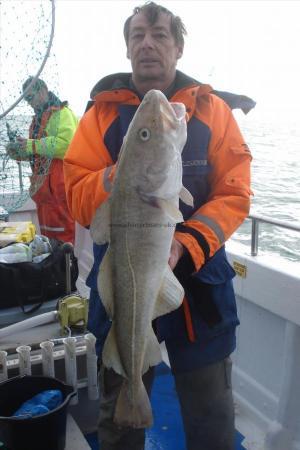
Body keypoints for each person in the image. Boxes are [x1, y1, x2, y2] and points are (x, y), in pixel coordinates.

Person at [63, 2, 254, 449]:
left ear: (179, 47)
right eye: (137, 36)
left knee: (210, 415)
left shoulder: (213, 111)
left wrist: (187, 242)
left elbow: (235, 191)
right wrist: (114, 175)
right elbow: (75, 194)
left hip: (200, 283)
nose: (147, 43)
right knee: (119, 419)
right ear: (127, 48)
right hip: (124, 275)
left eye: (160, 34)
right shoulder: (100, 116)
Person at [6, 77, 78, 243]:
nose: (30, 103)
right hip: (44, 192)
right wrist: (20, 153)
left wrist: (31, 145)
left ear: (43, 90)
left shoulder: (62, 113)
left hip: (60, 190)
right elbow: (38, 153)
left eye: (31, 97)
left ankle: (67, 268)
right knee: (48, 238)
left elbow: (67, 145)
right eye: (26, 99)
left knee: (65, 240)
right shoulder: (38, 119)